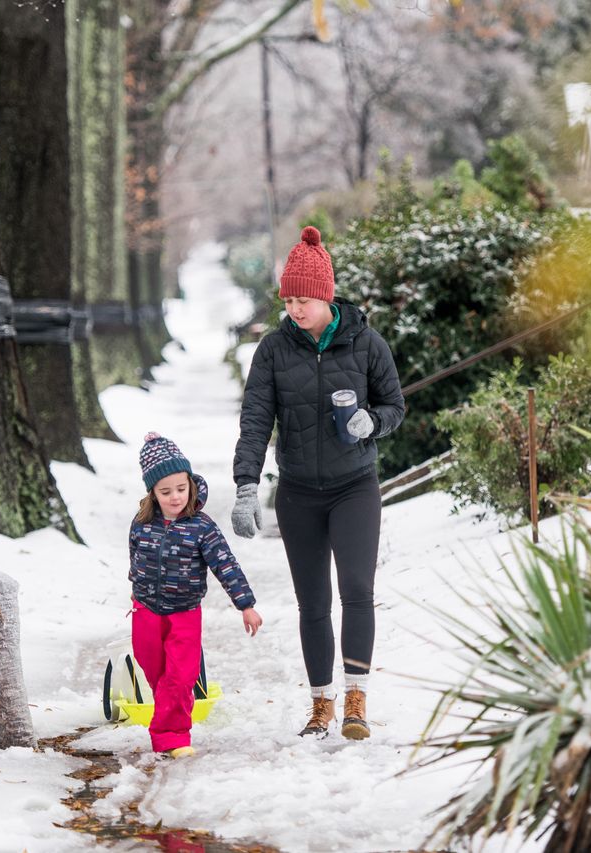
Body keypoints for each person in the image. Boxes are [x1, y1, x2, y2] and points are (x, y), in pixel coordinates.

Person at [231, 225, 405, 740]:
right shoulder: (273, 351)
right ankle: (320, 704)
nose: (294, 309)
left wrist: (372, 423)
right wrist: (245, 484)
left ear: (326, 297)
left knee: (356, 590)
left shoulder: (368, 344)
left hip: (355, 486)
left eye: (303, 299)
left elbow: (395, 405)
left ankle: (355, 699)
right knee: (312, 603)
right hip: (299, 492)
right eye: (288, 300)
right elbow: (256, 420)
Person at [130, 432, 263, 758]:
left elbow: (226, 565)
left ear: (190, 484)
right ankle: (173, 708)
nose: (175, 497)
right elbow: (134, 556)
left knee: (179, 675)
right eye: (165, 491)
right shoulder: (141, 523)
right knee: (153, 668)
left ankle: (172, 738)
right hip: (145, 609)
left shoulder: (202, 527)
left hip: (185, 613)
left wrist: (245, 605)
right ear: (153, 492)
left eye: (181, 488)